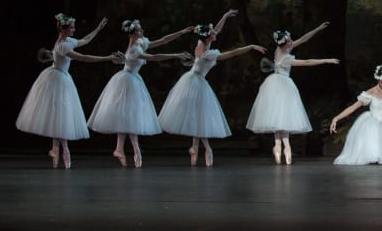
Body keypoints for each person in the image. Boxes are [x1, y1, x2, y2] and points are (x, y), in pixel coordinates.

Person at [158, 9, 266, 167]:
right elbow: (233, 53)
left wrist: (225, 16)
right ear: (208, 36)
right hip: (194, 82)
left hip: (197, 80)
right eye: (212, 33)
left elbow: (217, 29)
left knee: (198, 115)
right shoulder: (207, 51)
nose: (216, 33)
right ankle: (207, 148)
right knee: (200, 115)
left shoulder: (204, 42)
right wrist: (249, 46)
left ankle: (194, 148)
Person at [16, 14, 120, 168]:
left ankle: (56, 149)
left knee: (60, 113)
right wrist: (107, 58)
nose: (74, 29)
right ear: (64, 29)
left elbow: (85, 41)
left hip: (62, 78)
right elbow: (83, 58)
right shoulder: (62, 46)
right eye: (72, 27)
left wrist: (98, 29)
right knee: (59, 112)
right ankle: (62, 149)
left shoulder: (67, 41)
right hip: (56, 80)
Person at [87, 19, 194, 168]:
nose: (142, 31)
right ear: (132, 33)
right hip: (127, 81)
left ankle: (120, 149)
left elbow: (162, 40)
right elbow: (155, 57)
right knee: (128, 115)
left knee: (127, 115)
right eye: (139, 30)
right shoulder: (134, 50)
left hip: (133, 80)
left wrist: (181, 32)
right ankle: (135, 149)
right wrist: (176, 55)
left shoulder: (141, 43)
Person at [246, 22, 338, 165]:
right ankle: (286, 147)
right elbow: (307, 62)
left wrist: (318, 28)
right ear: (286, 43)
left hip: (273, 85)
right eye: (289, 40)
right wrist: (326, 60)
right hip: (283, 86)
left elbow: (303, 39)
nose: (291, 41)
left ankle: (277, 146)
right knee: (284, 116)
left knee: (277, 118)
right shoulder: (287, 58)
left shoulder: (279, 49)